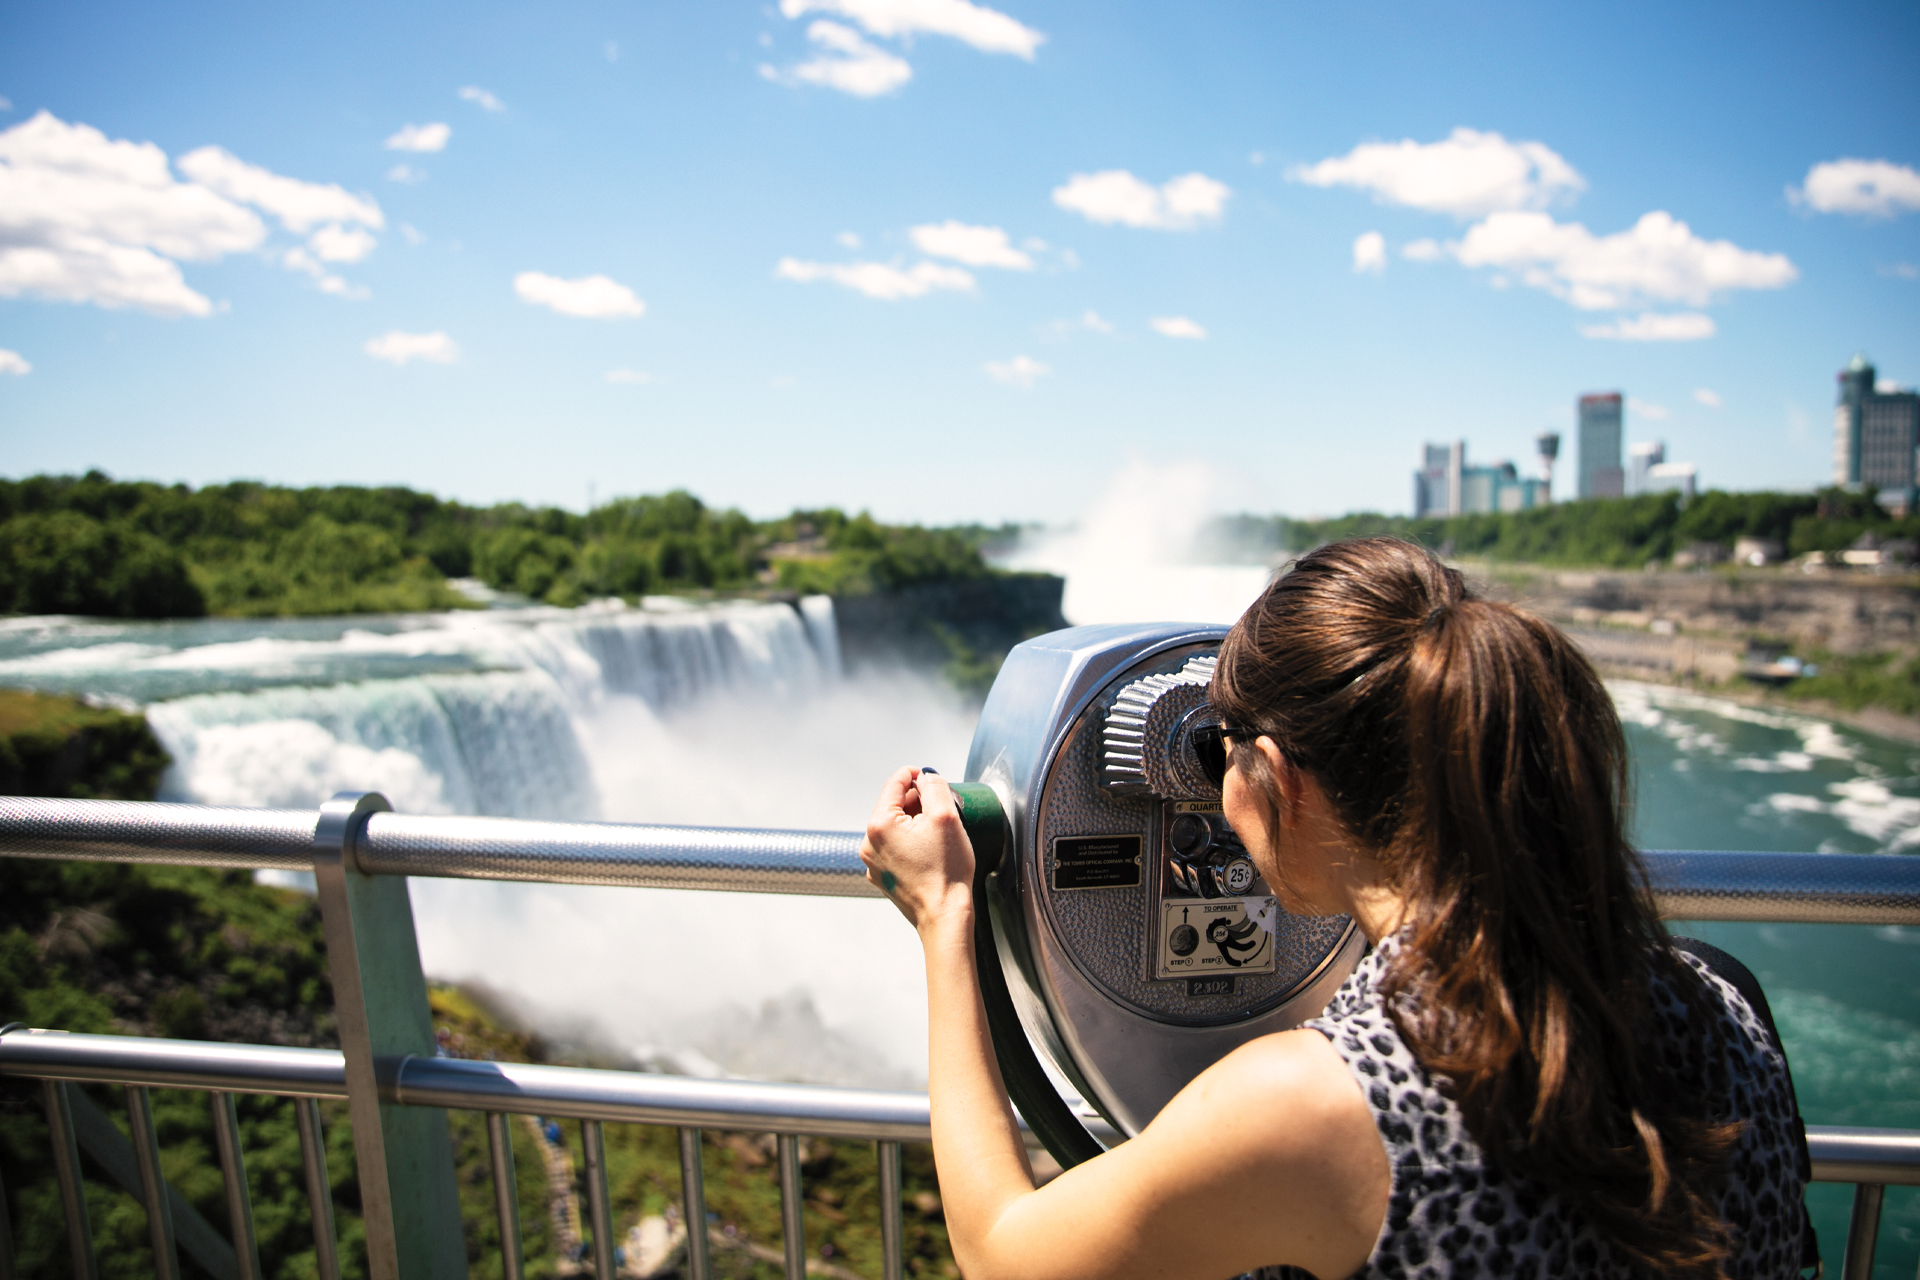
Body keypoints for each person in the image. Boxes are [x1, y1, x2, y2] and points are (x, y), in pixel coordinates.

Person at [859, 537, 1808, 1280]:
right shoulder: (1724, 1003)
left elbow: (1003, 1252)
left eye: (1221, 754)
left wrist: (947, 913)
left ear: (1276, 778)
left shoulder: (1313, 1108)